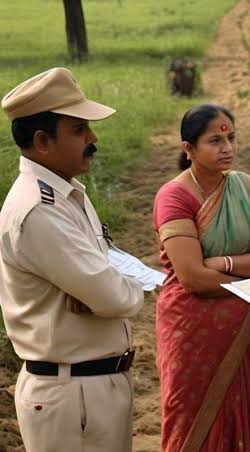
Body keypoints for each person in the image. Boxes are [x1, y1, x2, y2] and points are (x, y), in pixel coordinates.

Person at [0, 67, 144, 451]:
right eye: (79, 130)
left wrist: (105, 288)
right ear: (43, 141)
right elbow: (114, 297)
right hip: (71, 395)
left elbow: (103, 281)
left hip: (91, 386)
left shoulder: (66, 193)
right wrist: (126, 290)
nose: (92, 139)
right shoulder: (40, 210)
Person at [153, 103, 250, 452]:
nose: (227, 148)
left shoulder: (246, 189)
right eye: (215, 141)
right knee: (190, 413)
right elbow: (192, 277)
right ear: (188, 149)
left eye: (231, 138)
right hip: (190, 325)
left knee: (243, 409)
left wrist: (220, 262)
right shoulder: (173, 197)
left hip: (242, 324)